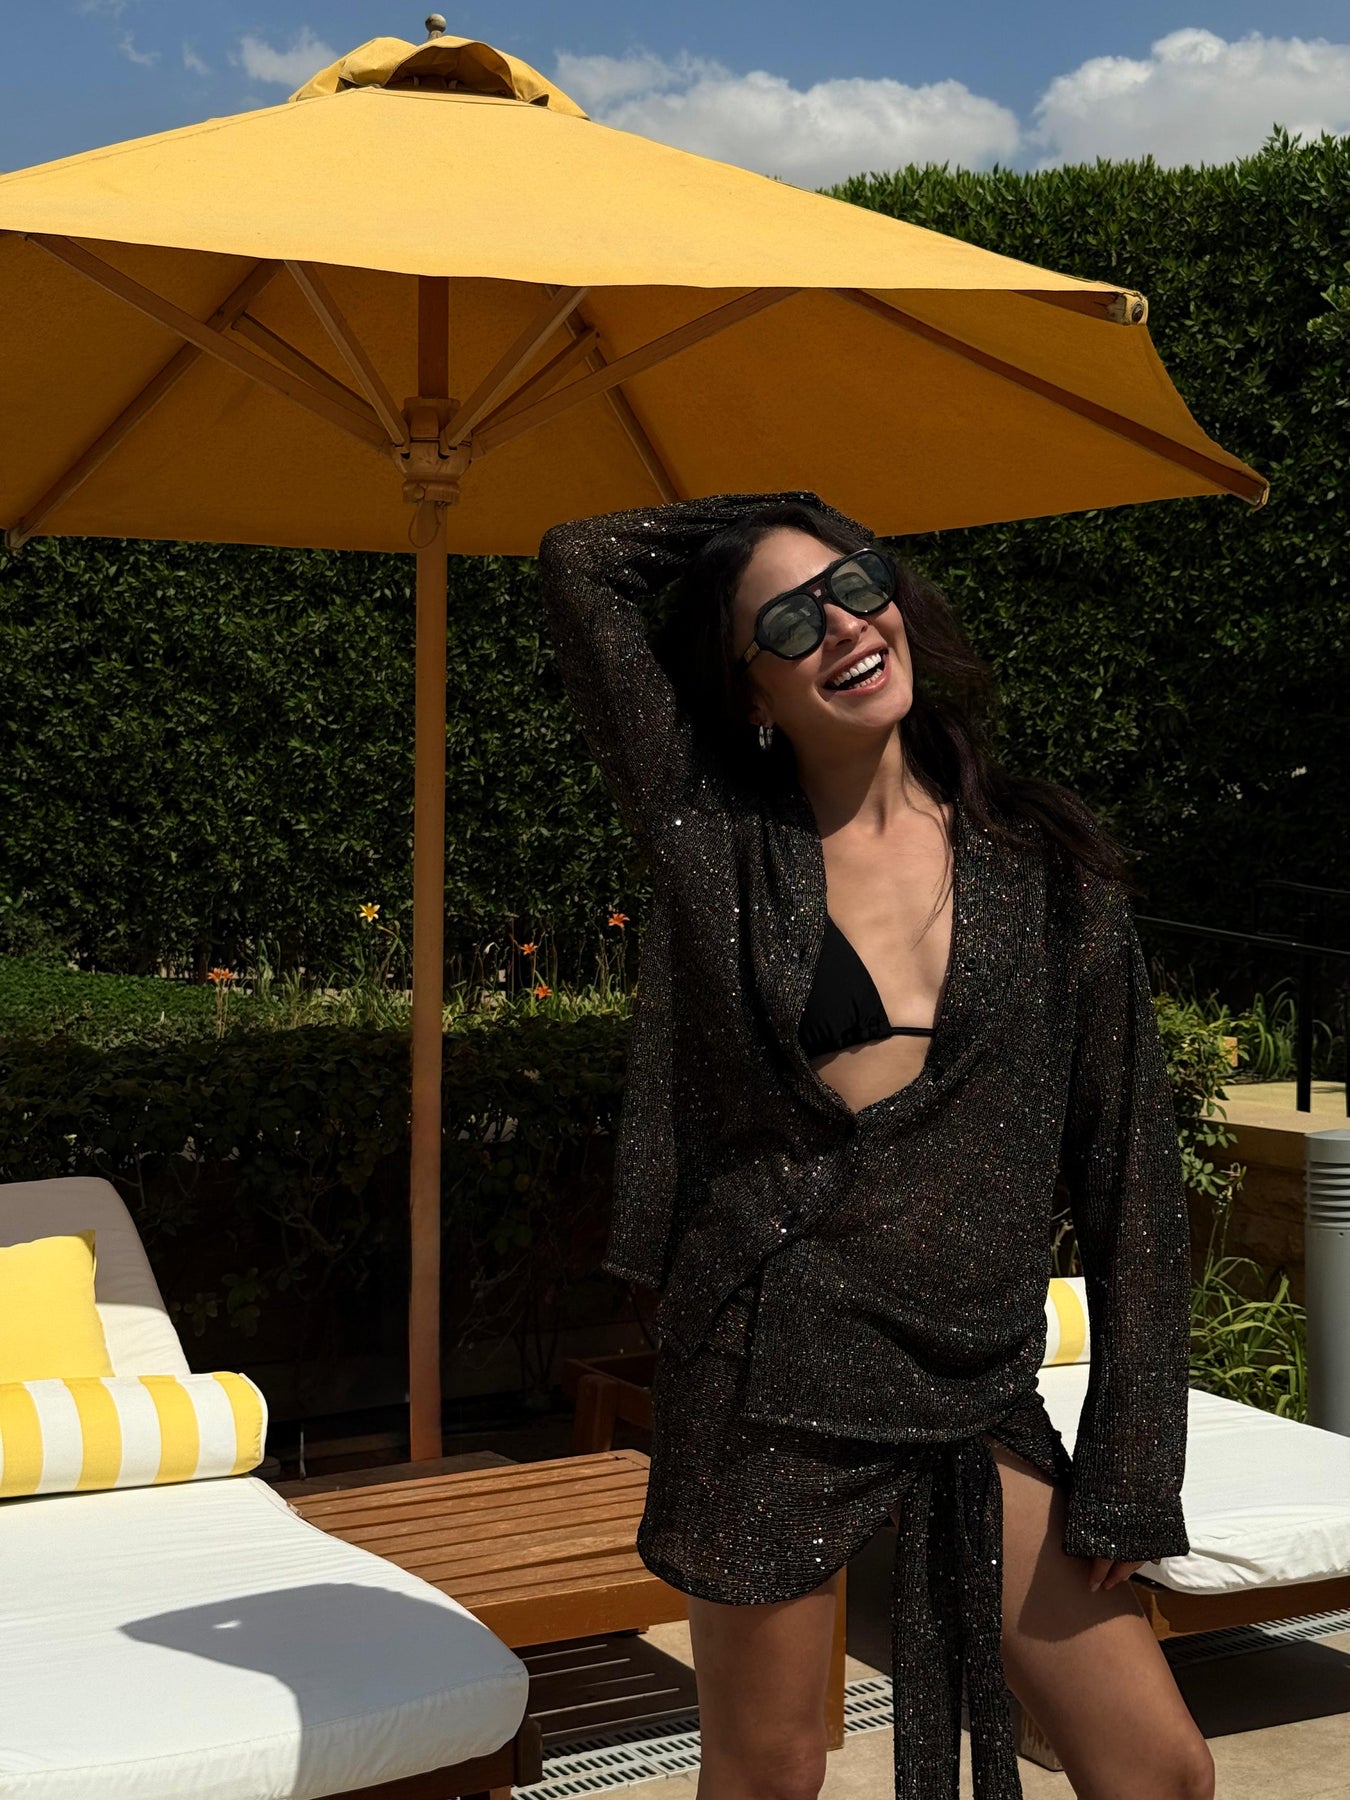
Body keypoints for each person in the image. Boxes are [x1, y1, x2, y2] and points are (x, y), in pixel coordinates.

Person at [536, 492, 1212, 1800]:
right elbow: (581, 560)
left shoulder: (1047, 871)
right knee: (771, 1771)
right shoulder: (718, 845)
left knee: (1158, 1769)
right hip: (767, 1380)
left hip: (973, 1384)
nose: (843, 626)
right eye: (791, 622)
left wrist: (1132, 1465)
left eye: (855, 585)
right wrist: (769, 517)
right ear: (751, 690)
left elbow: (1129, 1180)